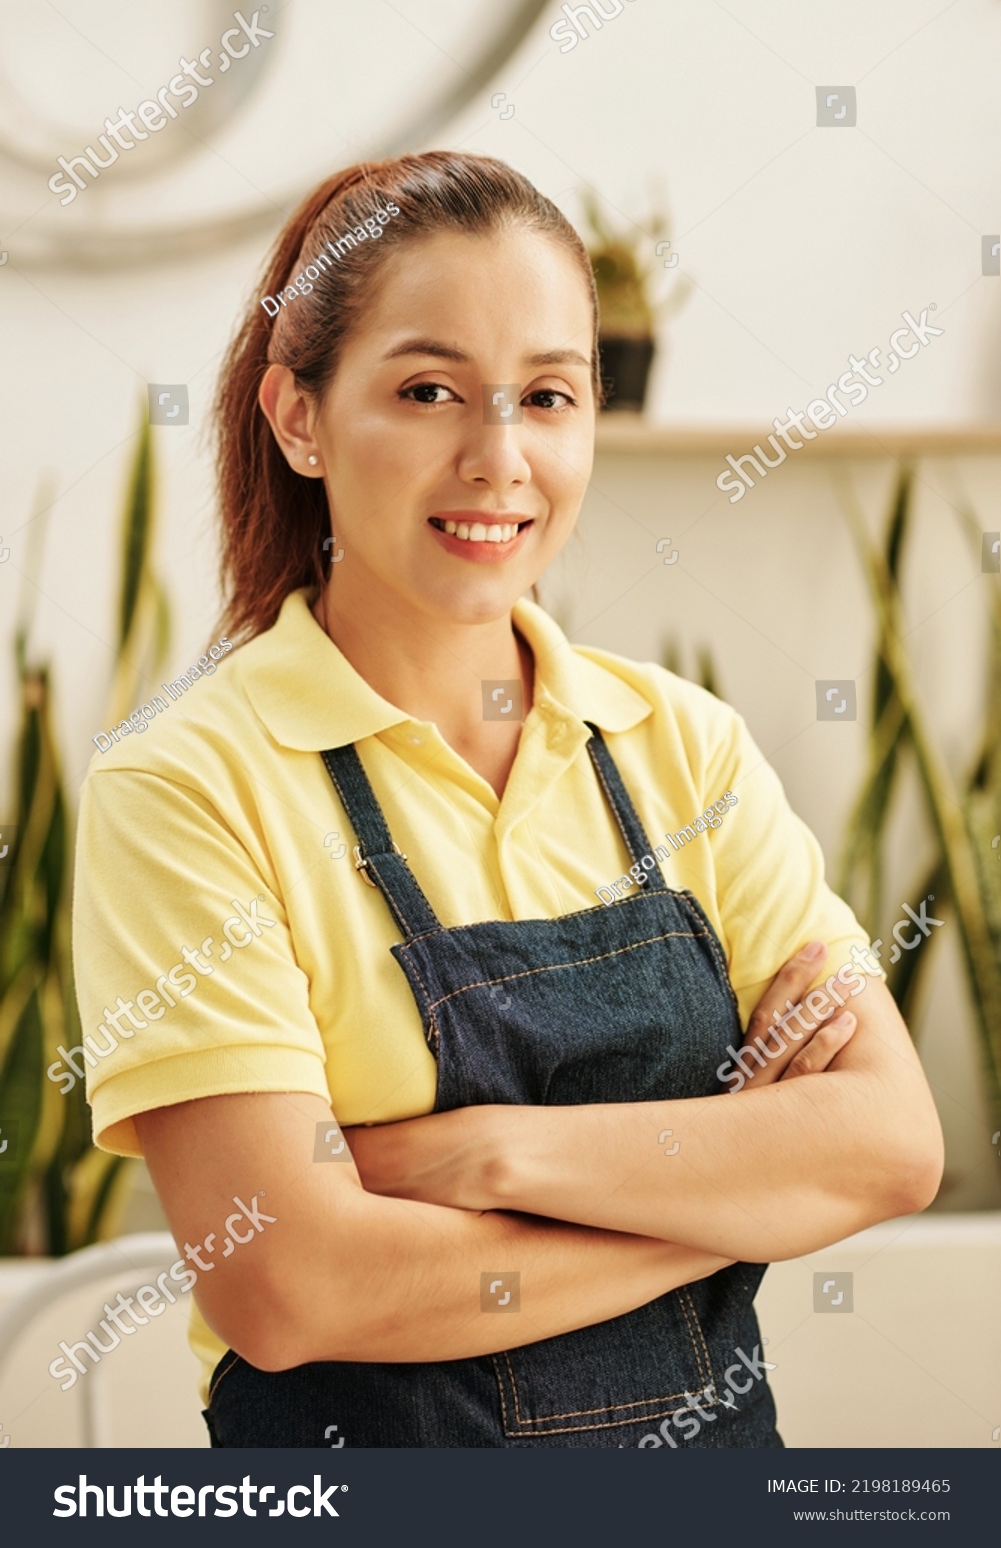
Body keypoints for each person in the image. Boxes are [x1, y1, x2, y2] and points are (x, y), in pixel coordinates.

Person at [72, 151, 943, 1448]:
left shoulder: (679, 749)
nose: (498, 458)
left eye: (547, 396)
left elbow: (886, 1145)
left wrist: (489, 1159)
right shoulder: (190, 786)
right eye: (427, 391)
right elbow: (290, 1287)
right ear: (298, 416)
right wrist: (725, 1196)